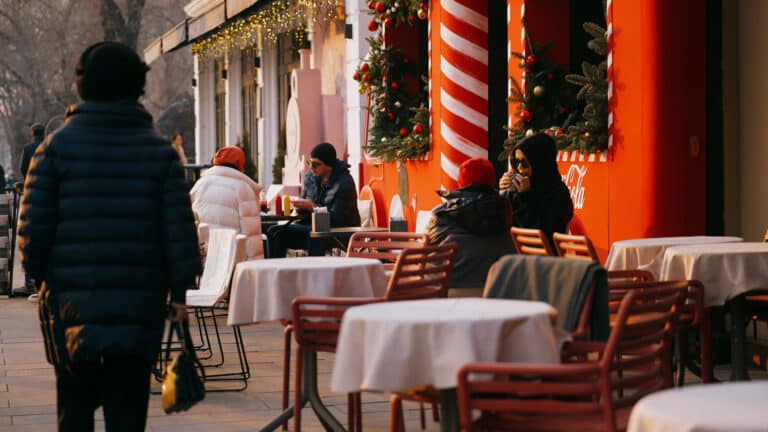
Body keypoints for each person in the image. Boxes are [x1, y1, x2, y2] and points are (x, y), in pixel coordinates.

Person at [17, 41, 201, 432]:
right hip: (139, 304)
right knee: (128, 409)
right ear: (136, 87)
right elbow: (178, 231)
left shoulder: (54, 150)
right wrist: (180, 293)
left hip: (71, 306)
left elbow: (32, 231)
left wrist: (40, 276)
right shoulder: (160, 153)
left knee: (74, 405)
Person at [426, 157, 515, 293]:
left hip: (451, 287)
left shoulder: (443, 211)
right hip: (498, 288)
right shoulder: (506, 209)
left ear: (461, 181)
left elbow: (427, 246)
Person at [268, 142, 360, 257]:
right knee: (275, 232)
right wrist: (299, 209)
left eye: (316, 164)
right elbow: (305, 211)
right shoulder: (310, 177)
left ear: (329, 165)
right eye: (309, 163)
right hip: (310, 227)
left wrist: (313, 207)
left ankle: (316, 271)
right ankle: (277, 271)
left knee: (314, 234)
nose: (311, 167)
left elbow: (338, 218)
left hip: (339, 231)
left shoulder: (344, 183)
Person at [499, 132, 573, 248]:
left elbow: (540, 235)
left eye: (523, 163)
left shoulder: (558, 193)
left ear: (539, 163)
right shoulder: (517, 191)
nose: (519, 168)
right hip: (515, 257)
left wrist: (526, 197)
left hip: (542, 261)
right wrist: (504, 194)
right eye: (516, 162)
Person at [190, 146, 264, 258]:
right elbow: (251, 236)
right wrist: (254, 270)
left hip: (205, 257)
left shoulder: (200, 184)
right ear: (240, 164)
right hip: (232, 260)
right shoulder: (243, 188)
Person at [12, 123, 46, 297]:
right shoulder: (50, 145)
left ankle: (29, 281)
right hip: (49, 192)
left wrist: (28, 182)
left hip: (32, 192)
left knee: (29, 233)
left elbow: (24, 168)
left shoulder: (28, 148)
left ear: (32, 134)